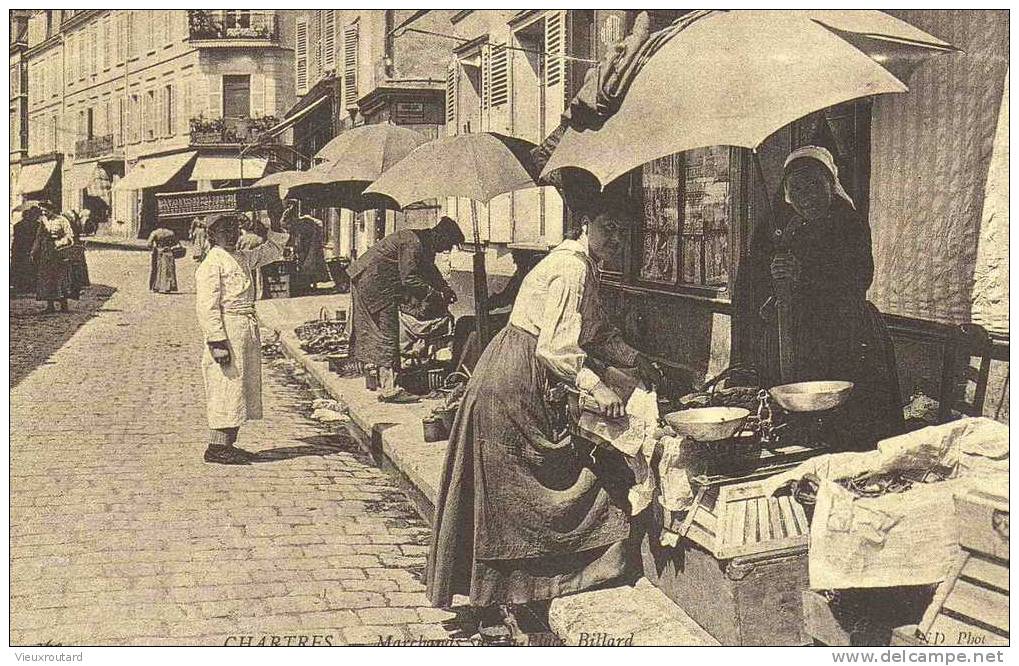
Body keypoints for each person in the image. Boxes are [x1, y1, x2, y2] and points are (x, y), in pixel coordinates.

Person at [425, 207, 662, 639]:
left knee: (511, 484)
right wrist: (599, 388)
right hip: (515, 381)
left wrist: (634, 359)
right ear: (584, 226)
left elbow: (595, 332)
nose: (616, 239)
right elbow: (556, 350)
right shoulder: (570, 269)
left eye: (623, 232)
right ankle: (507, 594)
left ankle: (503, 596)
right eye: (608, 227)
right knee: (516, 486)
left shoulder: (582, 266)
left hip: (513, 371)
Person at [748, 145, 904, 449]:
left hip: (848, 332)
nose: (806, 196)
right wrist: (776, 290)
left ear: (830, 186)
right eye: (797, 188)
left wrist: (801, 275)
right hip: (807, 334)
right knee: (810, 416)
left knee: (851, 419)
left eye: (813, 185)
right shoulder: (791, 228)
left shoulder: (848, 223)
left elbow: (858, 280)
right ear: (788, 194)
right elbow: (776, 281)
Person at [195, 214, 290, 465]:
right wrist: (217, 342)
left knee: (240, 388)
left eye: (234, 228)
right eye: (225, 230)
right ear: (212, 235)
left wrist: (261, 228)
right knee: (225, 385)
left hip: (245, 328)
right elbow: (207, 307)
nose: (232, 234)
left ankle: (228, 444)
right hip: (228, 329)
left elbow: (274, 250)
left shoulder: (242, 257)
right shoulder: (211, 263)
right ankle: (216, 447)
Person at [347, 216, 465, 403]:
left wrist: (444, 288)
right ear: (439, 235)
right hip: (373, 284)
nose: (448, 250)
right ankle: (390, 390)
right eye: (448, 244)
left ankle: (379, 379)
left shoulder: (423, 243)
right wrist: (436, 295)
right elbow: (409, 279)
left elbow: (429, 270)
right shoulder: (413, 244)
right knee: (386, 333)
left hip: (374, 281)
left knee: (379, 333)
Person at [450, 248, 544, 372]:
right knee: (464, 322)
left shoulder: (531, 277)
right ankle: (455, 366)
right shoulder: (520, 274)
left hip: (519, 322)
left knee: (466, 325)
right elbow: (504, 297)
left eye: (516, 260)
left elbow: (506, 299)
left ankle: (457, 368)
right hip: (513, 317)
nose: (515, 263)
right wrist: (487, 303)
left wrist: (489, 303)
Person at [31, 204, 77, 313]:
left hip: (59, 253)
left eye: (46, 211)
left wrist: (60, 243)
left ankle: (63, 305)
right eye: (42, 212)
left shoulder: (62, 220)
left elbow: (69, 236)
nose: (44, 213)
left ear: (52, 210)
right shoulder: (43, 221)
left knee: (60, 278)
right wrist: (34, 250)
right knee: (47, 278)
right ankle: (50, 305)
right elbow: (39, 237)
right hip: (46, 253)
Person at [287, 212, 330, 294]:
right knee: (310, 266)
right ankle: (311, 285)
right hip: (310, 248)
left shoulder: (302, 224)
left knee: (306, 266)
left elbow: (300, 240)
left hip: (308, 249)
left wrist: (297, 249)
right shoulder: (308, 222)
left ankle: (307, 286)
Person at [11, 204, 42, 294]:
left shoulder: (17, 225)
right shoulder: (37, 225)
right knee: (32, 267)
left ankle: (21, 285)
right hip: (30, 248)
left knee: (22, 267)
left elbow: (16, 238)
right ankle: (30, 286)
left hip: (19, 249)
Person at [62, 211, 91, 298]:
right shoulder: (73, 224)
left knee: (72, 269)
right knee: (75, 269)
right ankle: (75, 289)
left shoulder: (67, 224)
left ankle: (73, 290)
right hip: (75, 248)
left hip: (71, 248)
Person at [148, 227, 180, 294]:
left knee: (157, 270)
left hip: (159, 252)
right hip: (168, 252)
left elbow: (149, 243)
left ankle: (157, 286)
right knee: (169, 270)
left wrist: (153, 248)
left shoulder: (155, 232)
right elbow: (176, 243)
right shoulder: (171, 233)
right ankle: (168, 287)